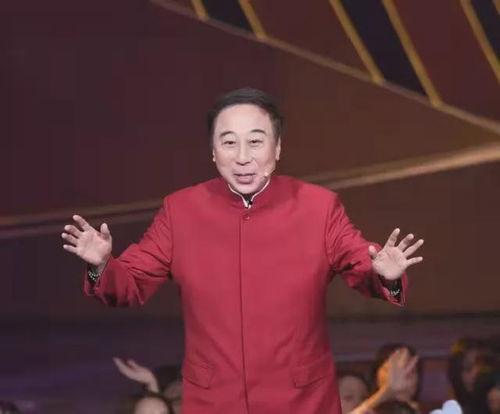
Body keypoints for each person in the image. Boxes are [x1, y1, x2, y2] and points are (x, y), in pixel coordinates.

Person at [61, 87, 424, 414]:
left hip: (301, 401)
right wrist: (102, 265)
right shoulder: (180, 211)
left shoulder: (318, 207)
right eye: (229, 142)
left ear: (277, 149)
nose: (242, 157)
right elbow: (129, 282)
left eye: (255, 141)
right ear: (213, 151)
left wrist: (385, 275)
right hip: (214, 401)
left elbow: (361, 260)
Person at [350, 345, 421, 413]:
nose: (402, 376)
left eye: (411, 371)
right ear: (377, 375)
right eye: (391, 370)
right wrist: (388, 391)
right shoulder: (367, 409)